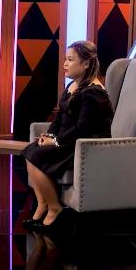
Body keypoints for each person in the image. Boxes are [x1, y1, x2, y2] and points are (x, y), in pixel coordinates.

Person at [21, 40, 113, 231]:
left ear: (86, 64)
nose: (65, 64)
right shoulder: (73, 85)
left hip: (85, 144)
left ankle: (55, 208)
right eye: (65, 59)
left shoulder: (94, 93)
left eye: (70, 60)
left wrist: (55, 141)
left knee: (36, 156)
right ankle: (42, 203)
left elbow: (82, 128)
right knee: (30, 151)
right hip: (68, 140)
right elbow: (60, 116)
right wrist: (50, 135)